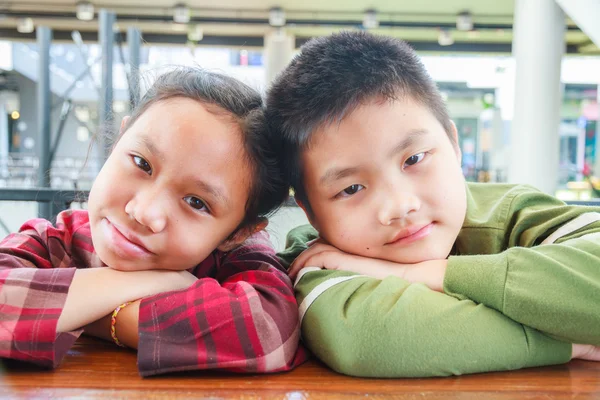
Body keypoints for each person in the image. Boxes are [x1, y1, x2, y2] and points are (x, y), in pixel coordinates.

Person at [267, 31, 600, 377]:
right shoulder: (318, 261)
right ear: (310, 213)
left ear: (454, 145)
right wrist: (570, 341)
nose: (399, 205)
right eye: (351, 188)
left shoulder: (510, 212)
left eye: (414, 159)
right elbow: (371, 339)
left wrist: (416, 274)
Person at [1, 67, 305, 376]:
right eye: (141, 163)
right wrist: (155, 283)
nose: (144, 212)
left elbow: (268, 335)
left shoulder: (243, 258)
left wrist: (74, 311)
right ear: (119, 140)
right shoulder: (55, 239)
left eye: (196, 202)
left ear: (238, 233)